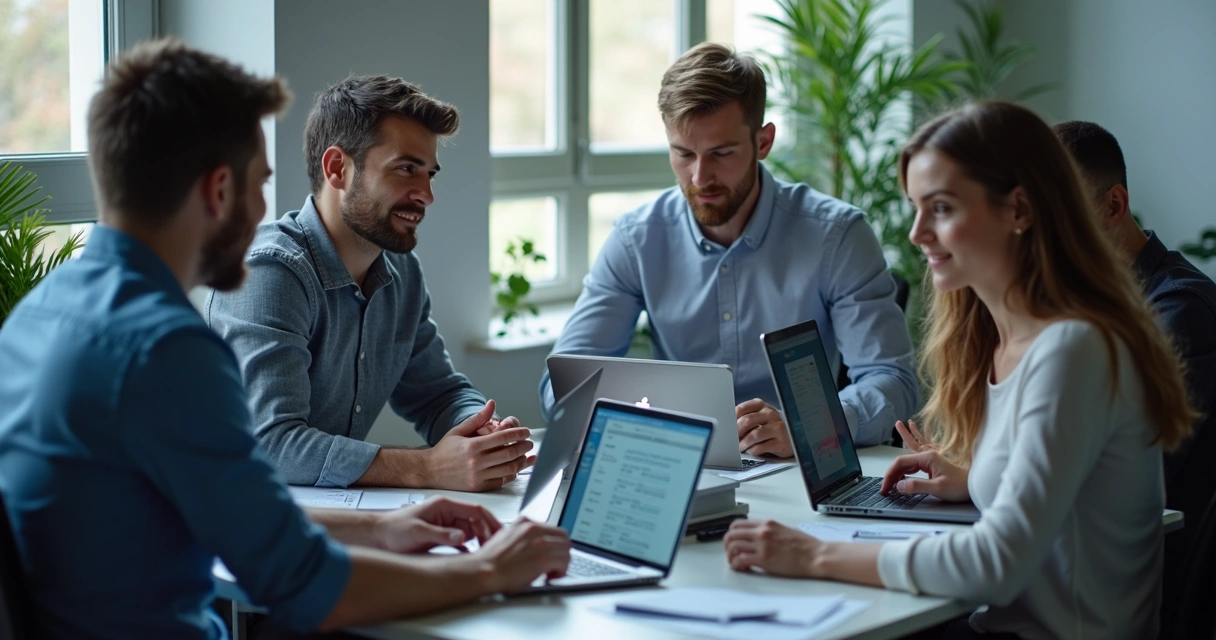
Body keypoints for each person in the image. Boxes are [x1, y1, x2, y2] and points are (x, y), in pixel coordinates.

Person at [0, 39, 569, 640]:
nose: (260, 212)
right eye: (259, 184)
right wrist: (490, 570)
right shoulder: (167, 351)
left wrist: (383, 527)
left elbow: (242, 519)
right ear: (220, 190)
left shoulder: (38, 316)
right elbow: (309, 588)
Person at [723, 101, 1196, 639]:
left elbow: (998, 564)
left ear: (1019, 210)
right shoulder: (1006, 339)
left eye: (941, 208)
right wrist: (975, 481)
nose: (917, 233)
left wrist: (814, 555)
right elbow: (1057, 496)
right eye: (917, 209)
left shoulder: (1074, 350)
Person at [539, 42, 918, 454]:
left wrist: (809, 426)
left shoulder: (837, 235)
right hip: (679, 464)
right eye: (683, 153)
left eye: (721, 153)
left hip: (799, 464)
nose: (700, 177)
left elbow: (892, 380)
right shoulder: (637, 239)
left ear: (763, 142)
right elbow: (563, 387)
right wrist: (643, 419)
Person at [206, 75, 534, 491]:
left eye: (429, 173)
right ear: (337, 168)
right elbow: (272, 444)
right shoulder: (269, 274)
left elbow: (436, 393)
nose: (426, 194)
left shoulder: (402, 271)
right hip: (228, 526)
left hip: (322, 518)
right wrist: (428, 467)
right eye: (406, 169)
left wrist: (483, 433)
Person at [1053, 119, 1216, 634]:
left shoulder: (1178, 313)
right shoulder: (1095, 307)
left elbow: (1117, 480)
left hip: (1130, 589)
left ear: (1114, 206)